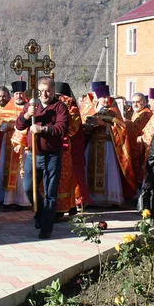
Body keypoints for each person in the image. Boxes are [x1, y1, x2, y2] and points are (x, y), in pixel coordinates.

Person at [16, 77, 70, 239]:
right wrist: (26, 116)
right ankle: (40, 214)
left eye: (47, 90)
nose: (44, 94)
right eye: (41, 91)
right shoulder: (32, 105)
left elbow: (62, 129)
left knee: (50, 194)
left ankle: (46, 227)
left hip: (52, 155)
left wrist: (43, 129)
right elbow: (19, 126)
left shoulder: (60, 107)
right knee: (28, 188)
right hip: (33, 154)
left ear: (53, 91)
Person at [82, 84, 134, 205]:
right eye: (103, 97)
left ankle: (109, 198)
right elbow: (83, 128)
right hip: (92, 145)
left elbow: (121, 128)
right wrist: (90, 126)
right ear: (97, 97)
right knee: (89, 171)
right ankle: (91, 199)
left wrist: (106, 124)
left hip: (108, 146)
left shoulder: (113, 110)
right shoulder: (90, 110)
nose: (106, 100)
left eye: (107, 97)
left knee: (108, 171)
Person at [0, 81, 31, 209]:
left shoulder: (30, 108)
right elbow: (0, 126)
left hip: (24, 147)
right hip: (8, 146)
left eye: (22, 94)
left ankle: (22, 201)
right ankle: (7, 199)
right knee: (7, 171)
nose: (19, 96)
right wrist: (10, 125)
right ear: (14, 94)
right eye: (17, 93)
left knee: (21, 174)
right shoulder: (8, 108)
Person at [54, 81, 91, 214]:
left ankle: (67, 205)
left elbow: (73, 128)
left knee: (66, 177)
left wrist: (57, 128)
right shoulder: (68, 103)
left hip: (66, 146)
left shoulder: (69, 103)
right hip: (57, 144)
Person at [126, 93, 152, 188]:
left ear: (144, 102)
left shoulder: (146, 114)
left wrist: (125, 123)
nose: (135, 104)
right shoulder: (135, 112)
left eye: (138, 102)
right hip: (134, 145)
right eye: (133, 102)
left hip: (141, 146)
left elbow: (136, 129)